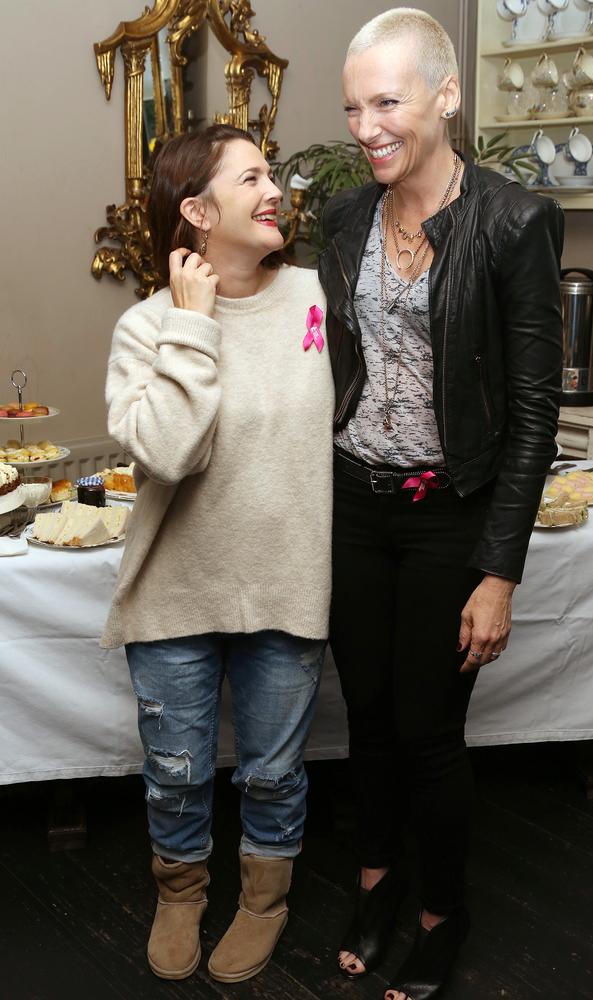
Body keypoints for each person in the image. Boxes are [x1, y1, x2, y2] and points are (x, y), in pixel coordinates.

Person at [317, 9, 563, 1000]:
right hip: (351, 501)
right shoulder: (341, 218)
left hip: (444, 512)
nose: (365, 127)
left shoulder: (512, 220)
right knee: (364, 717)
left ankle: (438, 910)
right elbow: (336, 365)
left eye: (386, 101)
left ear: (445, 96)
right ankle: (377, 883)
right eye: (351, 107)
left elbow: (534, 408)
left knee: (425, 727)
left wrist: (497, 569)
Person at [101, 124, 334, 984]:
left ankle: (265, 899)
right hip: (174, 591)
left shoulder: (319, 298)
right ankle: (181, 891)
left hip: (287, 579)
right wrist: (194, 328)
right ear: (198, 210)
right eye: (253, 178)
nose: (275, 190)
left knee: (273, 774)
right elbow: (168, 452)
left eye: (271, 174)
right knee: (176, 772)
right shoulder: (146, 327)